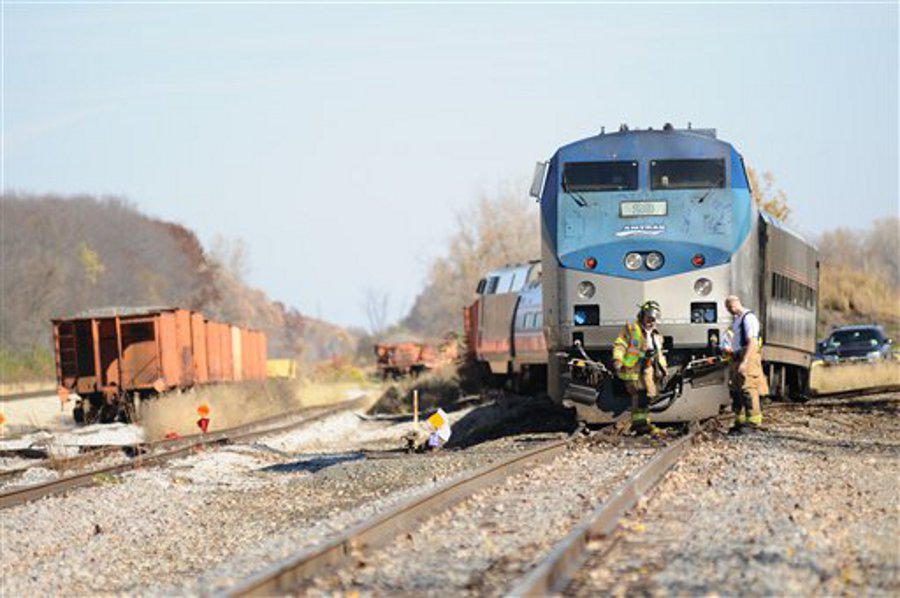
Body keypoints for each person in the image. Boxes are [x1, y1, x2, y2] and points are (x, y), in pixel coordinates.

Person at [612, 300, 668, 435]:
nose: (651, 321)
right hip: (633, 369)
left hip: (649, 369)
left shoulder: (656, 334)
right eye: (648, 317)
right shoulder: (632, 329)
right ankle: (641, 425)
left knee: (648, 396)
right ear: (642, 316)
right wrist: (618, 360)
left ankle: (641, 422)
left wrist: (663, 370)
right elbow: (620, 345)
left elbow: (659, 353)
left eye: (654, 318)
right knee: (641, 395)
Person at [724, 295, 767, 432]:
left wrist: (745, 361)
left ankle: (753, 422)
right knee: (736, 389)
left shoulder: (748, 318)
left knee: (748, 387)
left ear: (735, 304)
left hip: (748, 355)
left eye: (730, 307)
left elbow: (752, 342)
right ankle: (741, 420)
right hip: (737, 355)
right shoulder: (737, 320)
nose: (730, 310)